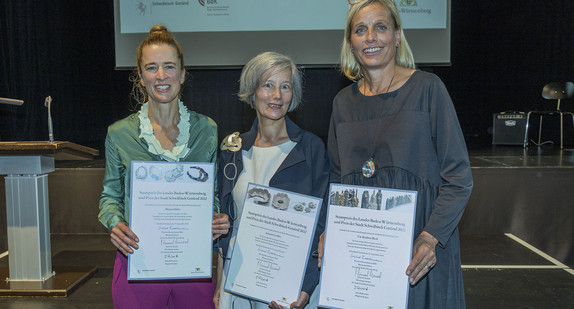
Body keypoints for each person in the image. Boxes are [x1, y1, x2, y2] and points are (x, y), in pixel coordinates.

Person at [323, 0, 473, 308]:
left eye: (381, 27)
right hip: (363, 253)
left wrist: (431, 236)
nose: (371, 37)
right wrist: (330, 229)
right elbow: (336, 180)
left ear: (397, 35)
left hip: (419, 254)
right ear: (350, 44)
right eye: (360, 30)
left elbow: (459, 178)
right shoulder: (342, 103)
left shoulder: (428, 88)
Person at [98, 25, 229, 309]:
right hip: (139, 260)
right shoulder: (120, 133)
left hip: (192, 263)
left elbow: (213, 194)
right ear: (140, 76)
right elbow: (110, 196)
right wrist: (115, 223)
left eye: (169, 66)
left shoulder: (207, 129)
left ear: (182, 74)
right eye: (151, 67)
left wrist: (217, 218)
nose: (161, 76)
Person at [214, 52, 329, 309]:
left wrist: (307, 286)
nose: (277, 95)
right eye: (268, 85)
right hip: (238, 282)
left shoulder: (311, 149)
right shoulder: (232, 149)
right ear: (252, 91)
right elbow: (227, 222)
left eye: (285, 86)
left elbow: (320, 226)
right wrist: (218, 284)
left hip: (291, 286)